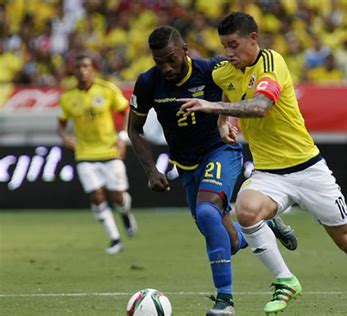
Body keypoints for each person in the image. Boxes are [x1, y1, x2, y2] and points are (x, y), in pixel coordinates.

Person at [180, 11, 347, 316]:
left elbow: (262, 107)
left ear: (254, 39)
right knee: (246, 210)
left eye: (234, 45)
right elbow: (227, 86)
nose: (228, 53)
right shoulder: (226, 71)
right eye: (224, 46)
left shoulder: (272, 62)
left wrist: (214, 108)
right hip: (268, 173)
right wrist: (224, 120)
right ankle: (285, 280)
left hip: (308, 169)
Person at [127, 26, 297, 316]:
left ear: (185, 50)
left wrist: (224, 118)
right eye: (159, 62)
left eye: (171, 59)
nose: (166, 68)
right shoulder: (148, 83)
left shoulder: (213, 69)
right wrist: (151, 171)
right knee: (227, 241)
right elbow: (134, 129)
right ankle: (265, 225)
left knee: (207, 212)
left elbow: (242, 83)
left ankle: (224, 302)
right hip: (186, 165)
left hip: (221, 151)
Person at [57, 53, 137, 255]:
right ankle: (115, 239)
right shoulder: (68, 97)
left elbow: (126, 110)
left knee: (117, 196)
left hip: (109, 149)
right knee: (96, 196)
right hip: (84, 153)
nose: (82, 70)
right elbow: (61, 123)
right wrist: (65, 136)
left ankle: (125, 213)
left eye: (86, 66)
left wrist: (122, 137)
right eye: (78, 67)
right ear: (73, 71)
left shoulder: (107, 89)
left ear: (92, 69)